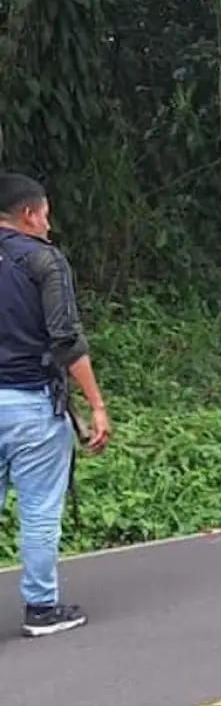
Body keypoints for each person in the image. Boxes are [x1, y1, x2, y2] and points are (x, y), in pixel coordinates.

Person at [0, 172, 111, 637]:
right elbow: (66, 339)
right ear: (28, 213)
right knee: (40, 510)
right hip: (30, 404)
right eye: (45, 213)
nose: (49, 222)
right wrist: (96, 405)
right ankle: (42, 609)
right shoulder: (44, 261)